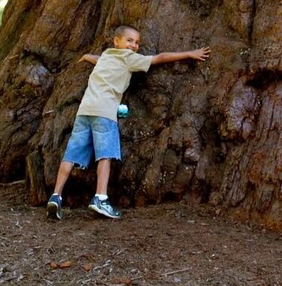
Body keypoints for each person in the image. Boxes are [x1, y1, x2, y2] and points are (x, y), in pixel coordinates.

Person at [46, 24, 210, 220]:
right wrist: (189, 53)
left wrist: (88, 56)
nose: (134, 46)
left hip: (84, 111)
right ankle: (100, 198)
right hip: (104, 113)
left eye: (137, 42)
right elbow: (160, 58)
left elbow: (98, 60)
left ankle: (56, 196)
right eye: (130, 40)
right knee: (104, 155)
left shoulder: (107, 55)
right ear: (117, 41)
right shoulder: (129, 59)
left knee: (71, 155)